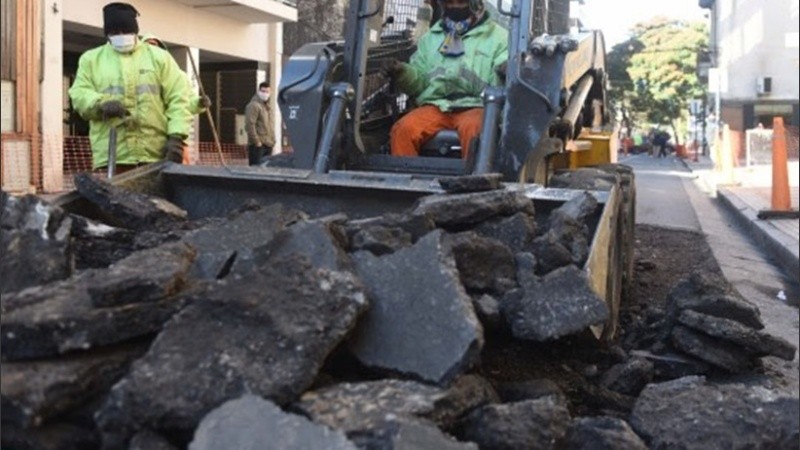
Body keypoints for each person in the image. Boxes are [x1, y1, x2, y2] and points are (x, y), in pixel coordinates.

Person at [69, 3, 193, 171]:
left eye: (126, 31)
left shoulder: (159, 58)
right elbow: (79, 94)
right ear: (107, 34)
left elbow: (179, 98)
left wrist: (177, 137)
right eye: (115, 32)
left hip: (155, 153)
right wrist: (100, 103)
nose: (121, 36)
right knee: (115, 197)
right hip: (113, 155)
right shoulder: (91, 60)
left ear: (135, 31)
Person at [382, 0, 508, 158]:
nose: (454, 6)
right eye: (449, 2)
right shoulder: (430, 38)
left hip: (476, 106)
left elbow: (499, 86)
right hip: (437, 106)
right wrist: (401, 72)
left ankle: (474, 180)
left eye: (460, 2)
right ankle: (407, 181)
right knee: (403, 129)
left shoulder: (499, 38)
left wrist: (505, 71)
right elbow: (420, 83)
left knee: (475, 130)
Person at [141, 32, 211, 116]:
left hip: (166, 126)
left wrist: (199, 103)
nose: (152, 50)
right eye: (148, 46)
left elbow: (185, 104)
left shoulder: (179, 76)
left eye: (155, 46)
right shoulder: (130, 72)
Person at [244, 82, 276, 166]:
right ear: (258, 91)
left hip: (268, 144)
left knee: (266, 170)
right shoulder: (254, 105)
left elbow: (270, 126)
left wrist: (273, 140)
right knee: (256, 170)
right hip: (258, 146)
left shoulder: (268, 107)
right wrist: (257, 141)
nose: (265, 94)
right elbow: (249, 124)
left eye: (267, 92)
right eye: (263, 91)